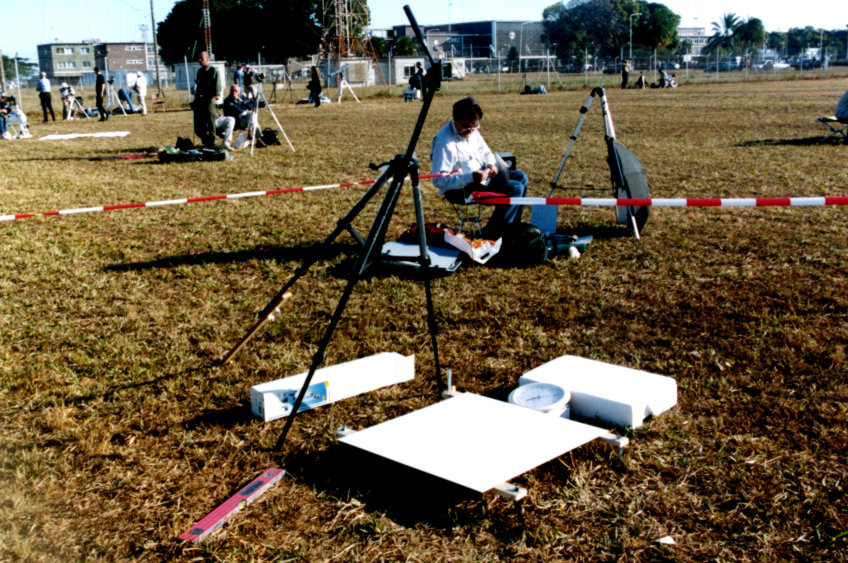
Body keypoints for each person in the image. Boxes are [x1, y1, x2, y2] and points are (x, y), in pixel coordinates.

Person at [430, 96, 527, 237]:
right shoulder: (444, 142)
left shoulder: (472, 130)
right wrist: (471, 176)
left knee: (521, 177)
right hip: (462, 188)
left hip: (483, 177)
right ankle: (498, 235)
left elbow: (486, 152)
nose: (470, 130)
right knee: (515, 188)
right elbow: (439, 180)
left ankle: (510, 227)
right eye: (465, 127)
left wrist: (490, 166)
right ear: (454, 120)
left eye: (474, 127)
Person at [193, 50, 223, 148]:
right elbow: (198, 87)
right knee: (198, 125)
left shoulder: (214, 71)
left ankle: (211, 142)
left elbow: (218, 87)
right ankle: (205, 140)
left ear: (208, 59)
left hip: (210, 100)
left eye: (201, 58)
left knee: (211, 122)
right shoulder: (200, 71)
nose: (199, 60)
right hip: (200, 101)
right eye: (199, 58)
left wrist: (212, 98)